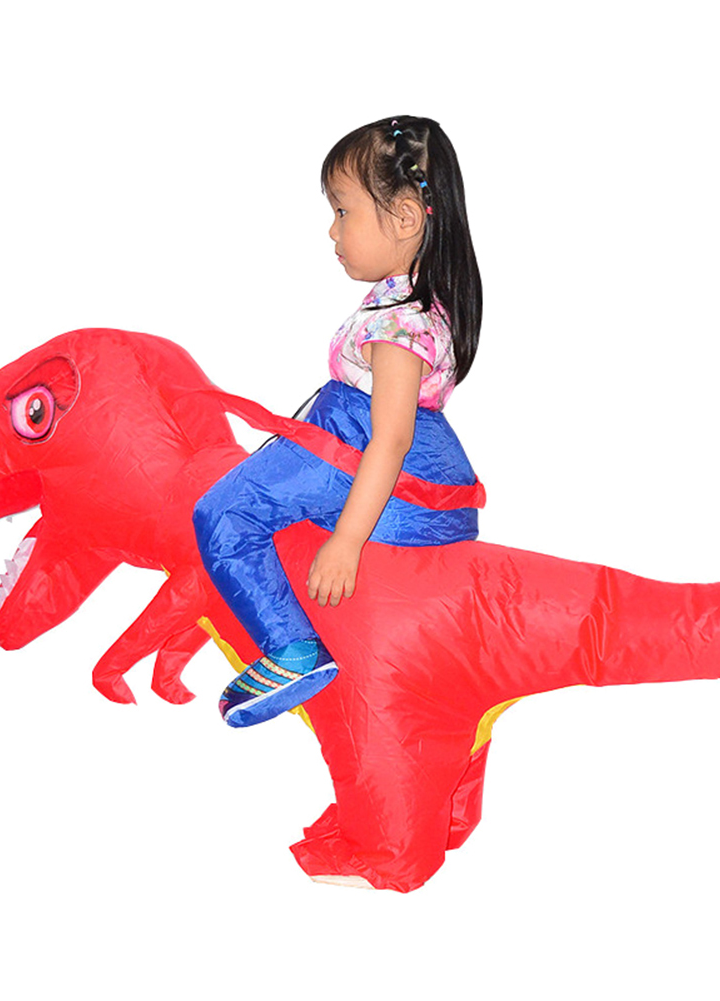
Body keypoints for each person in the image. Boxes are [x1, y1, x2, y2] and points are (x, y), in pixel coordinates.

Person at [193, 115, 483, 727]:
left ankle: (292, 648)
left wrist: (347, 542)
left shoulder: (399, 325)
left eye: (343, 210)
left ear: (405, 218)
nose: (332, 230)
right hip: (368, 447)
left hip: (356, 450)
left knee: (221, 514)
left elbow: (391, 438)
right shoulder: (411, 304)